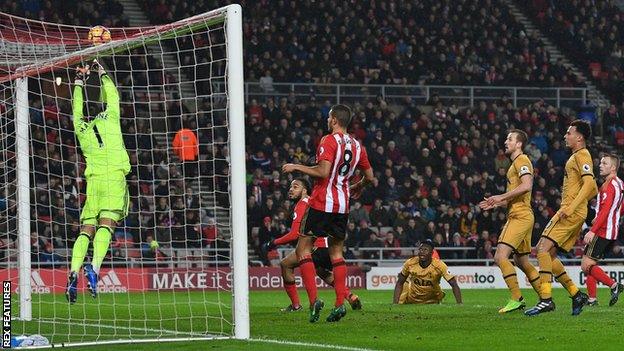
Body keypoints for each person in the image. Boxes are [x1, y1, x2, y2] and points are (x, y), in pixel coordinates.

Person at [282, 104, 374, 323]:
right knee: (336, 254)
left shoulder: (328, 140)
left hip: (321, 202)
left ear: (334, 120)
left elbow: (323, 172)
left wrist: (297, 167)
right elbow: (370, 177)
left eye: (328, 118)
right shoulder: (357, 146)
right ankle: (340, 304)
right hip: (343, 206)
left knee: (303, 250)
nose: (327, 121)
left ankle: (314, 302)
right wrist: (359, 185)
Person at [66, 59, 131, 304]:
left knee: (86, 229)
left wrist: (79, 81)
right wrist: (101, 72)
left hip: (93, 182)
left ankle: (73, 271)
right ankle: (93, 266)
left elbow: (76, 111)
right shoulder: (111, 118)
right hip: (114, 177)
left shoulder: (82, 131)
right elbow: (113, 95)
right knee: (107, 225)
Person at [525, 120, 598, 316]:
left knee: (541, 249)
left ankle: (546, 299)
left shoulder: (582, 155)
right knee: (548, 254)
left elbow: (591, 184)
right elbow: (593, 187)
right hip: (571, 210)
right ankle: (576, 295)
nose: (565, 136)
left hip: (570, 211)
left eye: (569, 133)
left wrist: (572, 206)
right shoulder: (577, 156)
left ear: (579, 137)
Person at [263, 178, 361, 312]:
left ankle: (296, 306)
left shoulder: (302, 204)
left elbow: (294, 234)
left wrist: (272, 243)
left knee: (285, 264)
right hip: (329, 246)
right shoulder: (315, 202)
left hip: (314, 246)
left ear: (304, 191)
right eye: (290, 187)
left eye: (295, 187)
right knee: (322, 272)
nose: (291, 190)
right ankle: (350, 296)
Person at [479, 130, 543, 313]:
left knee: (500, 257)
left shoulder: (522, 160)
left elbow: (527, 185)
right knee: (522, 262)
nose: (506, 141)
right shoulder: (514, 163)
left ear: (519, 144)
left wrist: (501, 196)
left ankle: (517, 298)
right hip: (522, 214)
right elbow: (517, 194)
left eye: (510, 139)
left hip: (520, 216)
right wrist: (497, 203)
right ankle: (546, 298)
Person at [582, 155, 624, 306]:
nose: (600, 165)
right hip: (611, 230)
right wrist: (612, 216)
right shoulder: (619, 183)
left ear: (613, 168)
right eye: (600, 162)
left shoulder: (608, 185)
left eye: (604, 163)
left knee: (586, 265)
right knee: (590, 263)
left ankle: (614, 285)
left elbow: (606, 210)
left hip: (602, 230)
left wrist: (592, 229)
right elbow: (619, 206)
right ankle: (592, 299)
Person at [393, 240, 462, 305]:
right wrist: (395, 303)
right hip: (413, 299)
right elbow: (399, 283)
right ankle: (401, 301)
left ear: (431, 253)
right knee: (405, 281)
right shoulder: (410, 263)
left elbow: (453, 284)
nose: (422, 252)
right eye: (420, 249)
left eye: (425, 250)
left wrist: (459, 304)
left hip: (433, 299)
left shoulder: (439, 265)